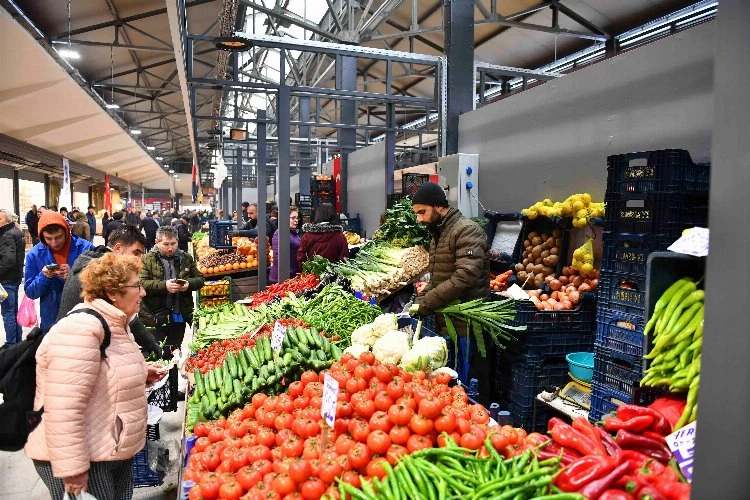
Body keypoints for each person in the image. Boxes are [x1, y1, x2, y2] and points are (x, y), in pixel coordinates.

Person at [25, 252, 168, 499]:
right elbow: (63, 406)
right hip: (87, 456)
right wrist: (73, 468)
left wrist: (142, 373)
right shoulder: (81, 330)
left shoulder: (116, 322)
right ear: (113, 293)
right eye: (137, 286)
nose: (143, 293)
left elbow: (105, 369)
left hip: (109, 447)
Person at [408, 182, 492, 398]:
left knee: (466, 386)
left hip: (466, 326)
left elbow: (464, 277)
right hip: (448, 323)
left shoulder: (467, 230)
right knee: (452, 384)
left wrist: (426, 303)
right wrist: (419, 299)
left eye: (422, 212)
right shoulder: (440, 235)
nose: (419, 219)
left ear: (438, 207)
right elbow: (439, 278)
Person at [56, 225, 161, 358]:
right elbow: (122, 312)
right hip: (74, 347)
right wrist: (149, 342)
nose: (138, 259)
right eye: (136, 253)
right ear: (118, 248)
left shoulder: (93, 258)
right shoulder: (102, 271)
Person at [140, 226, 204, 358]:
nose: (170, 248)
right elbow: (142, 283)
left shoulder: (185, 258)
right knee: (155, 353)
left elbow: (200, 279)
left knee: (174, 352)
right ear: (156, 242)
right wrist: (164, 286)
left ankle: (173, 377)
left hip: (179, 314)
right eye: (166, 244)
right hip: (154, 315)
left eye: (173, 244)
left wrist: (188, 284)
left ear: (178, 241)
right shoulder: (146, 259)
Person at [24, 211, 93, 333]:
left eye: (59, 237)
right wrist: (43, 276)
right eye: (48, 239)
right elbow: (30, 292)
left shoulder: (86, 249)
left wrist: (73, 277)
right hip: (51, 319)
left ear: (66, 231)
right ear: (41, 236)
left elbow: (99, 285)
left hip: (82, 316)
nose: (54, 243)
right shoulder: (34, 255)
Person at [0, 210, 25, 345]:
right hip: (14, 278)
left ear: (8, 221)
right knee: (14, 311)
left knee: (8, 313)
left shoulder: (6, 235)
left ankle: (11, 344)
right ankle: (17, 341)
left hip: (6, 280)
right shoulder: (15, 231)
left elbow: (8, 261)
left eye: (0, 219)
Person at [297, 203, 348, 269]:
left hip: (311, 277)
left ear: (317, 215)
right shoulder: (340, 236)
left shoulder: (307, 236)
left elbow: (301, 258)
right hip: (333, 276)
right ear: (334, 215)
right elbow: (344, 258)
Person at [269, 207, 302, 284]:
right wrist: (288, 274)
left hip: (292, 276)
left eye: (297, 218)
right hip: (281, 279)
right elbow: (278, 257)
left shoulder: (293, 233)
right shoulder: (279, 233)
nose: (296, 220)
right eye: (293, 218)